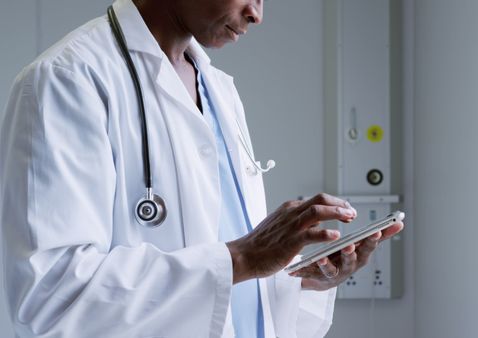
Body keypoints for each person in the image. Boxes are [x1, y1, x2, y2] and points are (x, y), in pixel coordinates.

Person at [0, 0, 404, 337]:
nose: (256, 13)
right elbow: (50, 301)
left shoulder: (220, 90)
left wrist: (301, 277)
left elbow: (232, 283)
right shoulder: (67, 81)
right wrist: (244, 258)